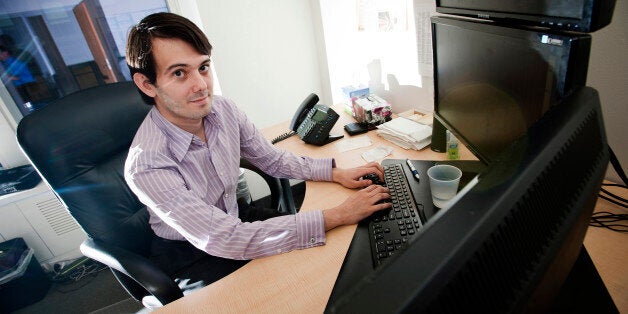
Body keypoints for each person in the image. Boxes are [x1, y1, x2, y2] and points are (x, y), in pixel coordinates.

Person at [124, 12, 391, 287]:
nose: (201, 85)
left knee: (330, 258)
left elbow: (271, 159)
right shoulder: (146, 164)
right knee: (288, 287)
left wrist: (336, 173)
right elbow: (225, 238)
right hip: (191, 250)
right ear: (147, 84)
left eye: (203, 67)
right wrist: (338, 214)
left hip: (235, 215)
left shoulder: (223, 109)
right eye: (179, 73)